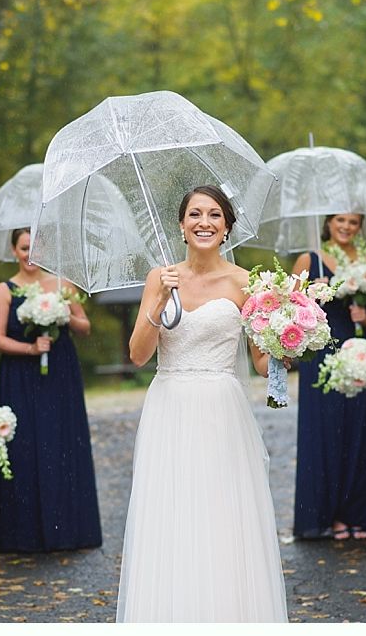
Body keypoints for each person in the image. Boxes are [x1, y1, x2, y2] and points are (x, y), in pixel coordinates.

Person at [116, 185, 287, 622]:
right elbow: (137, 355)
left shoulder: (246, 282)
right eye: (195, 214)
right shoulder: (161, 277)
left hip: (220, 409)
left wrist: (288, 341)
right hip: (169, 405)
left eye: (214, 214)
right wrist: (156, 300)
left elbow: (261, 360)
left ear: (227, 226)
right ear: (181, 224)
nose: (204, 222)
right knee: (170, 512)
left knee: (221, 512)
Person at [0, 227, 102, 553]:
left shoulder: (63, 285)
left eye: (36, 248)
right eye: (24, 248)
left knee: (61, 443)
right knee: (24, 447)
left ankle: (70, 529)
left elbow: (85, 326)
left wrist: (64, 315)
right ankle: (23, 536)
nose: (30, 255)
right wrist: (31, 350)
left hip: (60, 374)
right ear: (14, 251)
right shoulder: (4, 291)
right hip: (20, 377)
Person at [291, 214, 366, 541]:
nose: (346, 226)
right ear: (328, 222)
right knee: (328, 428)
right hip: (322, 350)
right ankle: (331, 514)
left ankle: (365, 513)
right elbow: (289, 307)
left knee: (365, 428)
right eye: (340, 220)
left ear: (360, 225)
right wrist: (310, 292)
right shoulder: (309, 259)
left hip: (362, 346)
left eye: (353, 221)